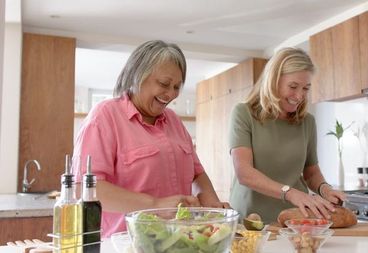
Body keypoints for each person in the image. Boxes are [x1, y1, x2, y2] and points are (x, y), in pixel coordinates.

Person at [73, 40, 229, 237]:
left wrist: (212, 204)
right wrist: (155, 205)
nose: (171, 94)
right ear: (138, 75)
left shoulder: (174, 122)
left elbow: (197, 174)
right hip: (127, 243)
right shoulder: (104, 116)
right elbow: (86, 190)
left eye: (176, 87)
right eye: (164, 84)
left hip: (180, 240)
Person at [228, 47, 346, 223]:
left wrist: (325, 189)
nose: (299, 96)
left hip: (295, 219)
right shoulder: (243, 113)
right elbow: (244, 172)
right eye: (293, 86)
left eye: (306, 88)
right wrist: (289, 193)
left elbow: (311, 172)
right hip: (251, 219)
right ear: (273, 80)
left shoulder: (307, 122)